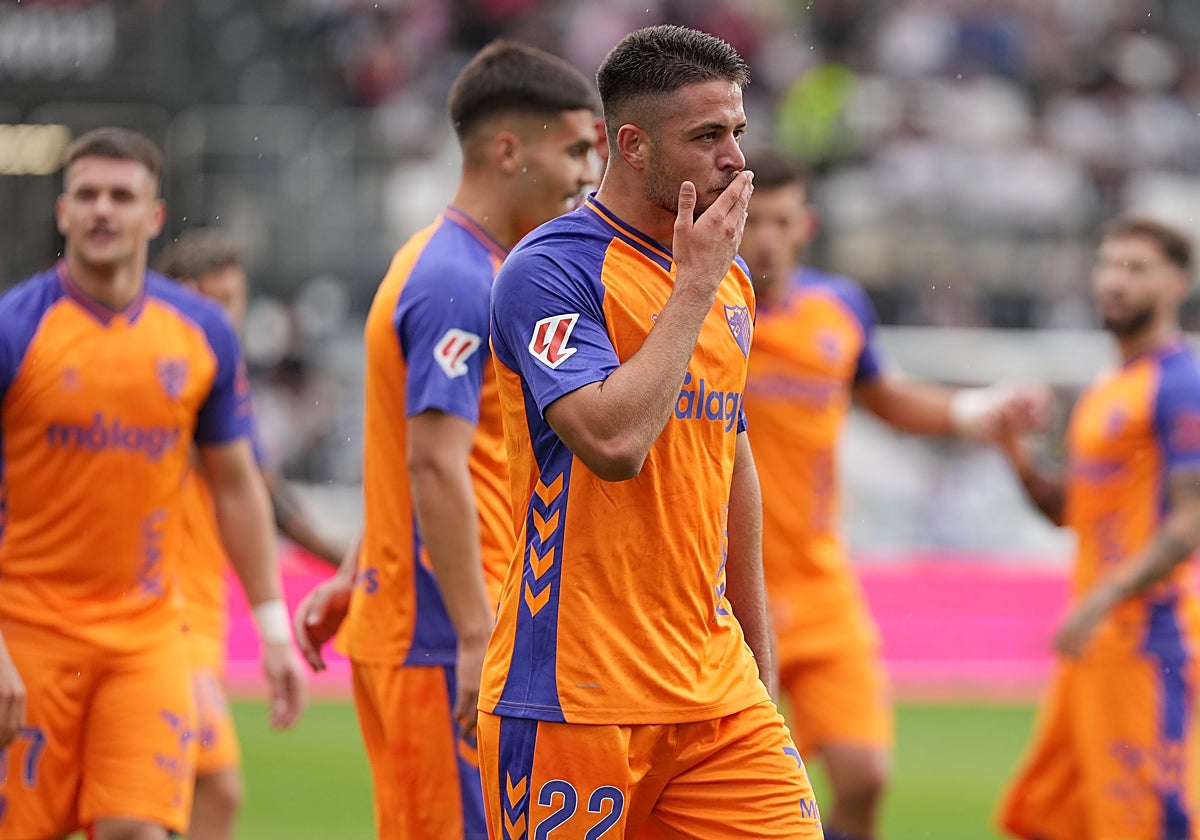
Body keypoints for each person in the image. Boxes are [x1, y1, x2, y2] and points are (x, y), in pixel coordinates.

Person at [477, 25, 822, 838]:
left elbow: (730, 461)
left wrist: (758, 667)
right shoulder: (550, 271)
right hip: (574, 693)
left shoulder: (727, 277)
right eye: (707, 136)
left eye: (737, 131)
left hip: (716, 692)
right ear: (632, 146)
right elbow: (613, 443)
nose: (735, 158)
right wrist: (693, 287)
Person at [290, 41, 600, 839]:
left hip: (436, 618)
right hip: (444, 632)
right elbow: (432, 461)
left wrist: (357, 571)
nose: (586, 175)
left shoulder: (452, 262)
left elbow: (407, 451)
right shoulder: (458, 280)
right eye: (573, 150)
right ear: (508, 149)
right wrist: (471, 633)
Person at [0, 127, 305, 840]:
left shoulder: (201, 333)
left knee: (142, 828)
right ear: (63, 212)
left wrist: (272, 629)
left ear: (154, 215)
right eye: (87, 195)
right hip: (30, 632)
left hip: (147, 638)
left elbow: (238, 485)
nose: (103, 209)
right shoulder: (16, 328)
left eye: (122, 195)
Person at [738, 149, 1045, 840]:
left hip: (819, 581)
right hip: (722, 588)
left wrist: (972, 412)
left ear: (807, 226)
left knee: (865, 774)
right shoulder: (700, 309)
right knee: (738, 791)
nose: (766, 238)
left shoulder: (839, 308)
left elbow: (883, 395)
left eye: (781, 221)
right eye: (753, 220)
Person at [996, 217, 1200, 840]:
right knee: (1045, 817)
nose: (1114, 281)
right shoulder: (1108, 388)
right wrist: (1013, 448)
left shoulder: (1180, 383)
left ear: (1177, 284)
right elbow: (1070, 511)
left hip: (1146, 639)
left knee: (1143, 822)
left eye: (1135, 268)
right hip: (1095, 641)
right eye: (1108, 264)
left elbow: (1192, 518)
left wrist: (1102, 599)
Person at [155, 228, 346, 840]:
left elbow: (266, 497)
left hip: (197, 614)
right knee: (212, 789)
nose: (224, 319)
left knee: (171, 801)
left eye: (232, 302)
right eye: (211, 302)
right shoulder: (165, 385)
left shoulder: (217, 393)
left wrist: (349, 560)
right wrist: (353, 560)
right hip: (160, 618)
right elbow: (264, 496)